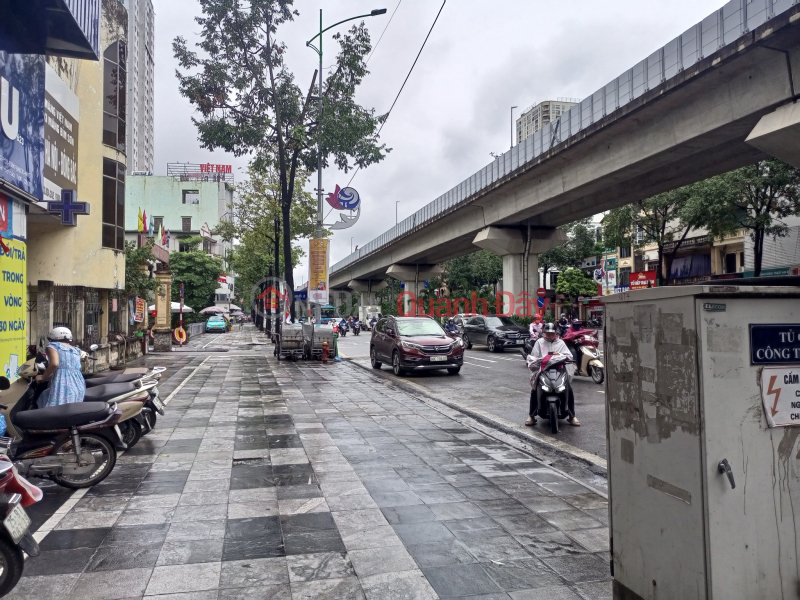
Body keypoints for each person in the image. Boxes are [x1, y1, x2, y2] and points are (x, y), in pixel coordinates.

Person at [525, 322, 580, 427]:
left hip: (559, 369)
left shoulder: (561, 343)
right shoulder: (539, 342)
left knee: (568, 389)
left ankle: (572, 416)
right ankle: (531, 415)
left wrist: (559, 354)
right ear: (544, 332)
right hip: (543, 370)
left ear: (556, 333)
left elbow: (568, 355)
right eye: (548, 333)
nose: (550, 335)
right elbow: (534, 357)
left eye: (552, 333)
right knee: (534, 389)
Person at [36, 327, 86, 409]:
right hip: (79, 383)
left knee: (56, 409)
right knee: (72, 409)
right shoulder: (76, 350)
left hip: (63, 384)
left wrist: (42, 377)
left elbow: (54, 364)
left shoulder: (53, 346)